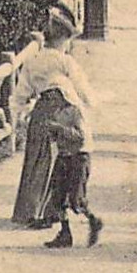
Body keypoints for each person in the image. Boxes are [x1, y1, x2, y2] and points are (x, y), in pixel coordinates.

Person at [8, 7, 96, 227]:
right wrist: (90, 104)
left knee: (37, 159)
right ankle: (51, 211)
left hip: (41, 110)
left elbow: (21, 93)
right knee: (61, 159)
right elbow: (82, 88)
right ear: (63, 40)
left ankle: (28, 211)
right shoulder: (65, 61)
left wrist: (19, 113)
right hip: (64, 110)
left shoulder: (33, 61)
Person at [42, 73, 103, 248]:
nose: (51, 98)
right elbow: (56, 138)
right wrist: (51, 133)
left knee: (76, 199)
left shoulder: (76, 112)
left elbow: (81, 137)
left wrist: (60, 129)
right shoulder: (56, 112)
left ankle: (93, 220)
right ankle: (65, 233)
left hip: (78, 157)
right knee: (57, 196)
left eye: (54, 94)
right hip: (63, 156)